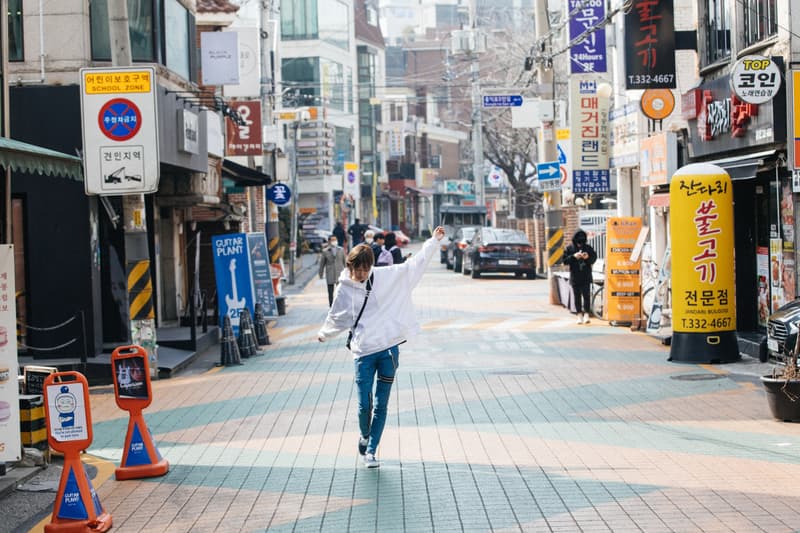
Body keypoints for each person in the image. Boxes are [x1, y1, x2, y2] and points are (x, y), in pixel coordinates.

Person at [318, 226, 447, 468]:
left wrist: (433, 241)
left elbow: (414, 266)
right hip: (363, 353)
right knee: (363, 404)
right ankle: (364, 435)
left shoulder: (385, 277)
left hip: (388, 350)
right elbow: (337, 315)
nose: (362, 273)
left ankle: (372, 450)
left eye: (366, 268)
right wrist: (325, 333)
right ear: (350, 267)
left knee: (381, 404)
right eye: (358, 269)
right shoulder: (344, 286)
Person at [563, 229, 597, 324]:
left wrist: (588, 257)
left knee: (586, 296)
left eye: (582, 243)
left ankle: (586, 314)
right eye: (578, 243)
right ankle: (579, 315)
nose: (580, 245)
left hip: (586, 276)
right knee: (577, 296)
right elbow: (565, 261)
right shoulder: (569, 249)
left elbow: (594, 258)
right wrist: (574, 256)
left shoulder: (588, 248)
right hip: (575, 277)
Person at [318, 235, 346, 306]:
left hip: (340, 273)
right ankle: (331, 306)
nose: (334, 241)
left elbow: (345, 262)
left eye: (335, 240)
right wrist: (320, 274)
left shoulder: (341, 250)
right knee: (330, 292)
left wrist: (347, 272)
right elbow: (322, 264)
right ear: (329, 241)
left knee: (340, 291)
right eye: (333, 240)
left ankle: (340, 305)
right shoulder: (325, 251)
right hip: (330, 273)